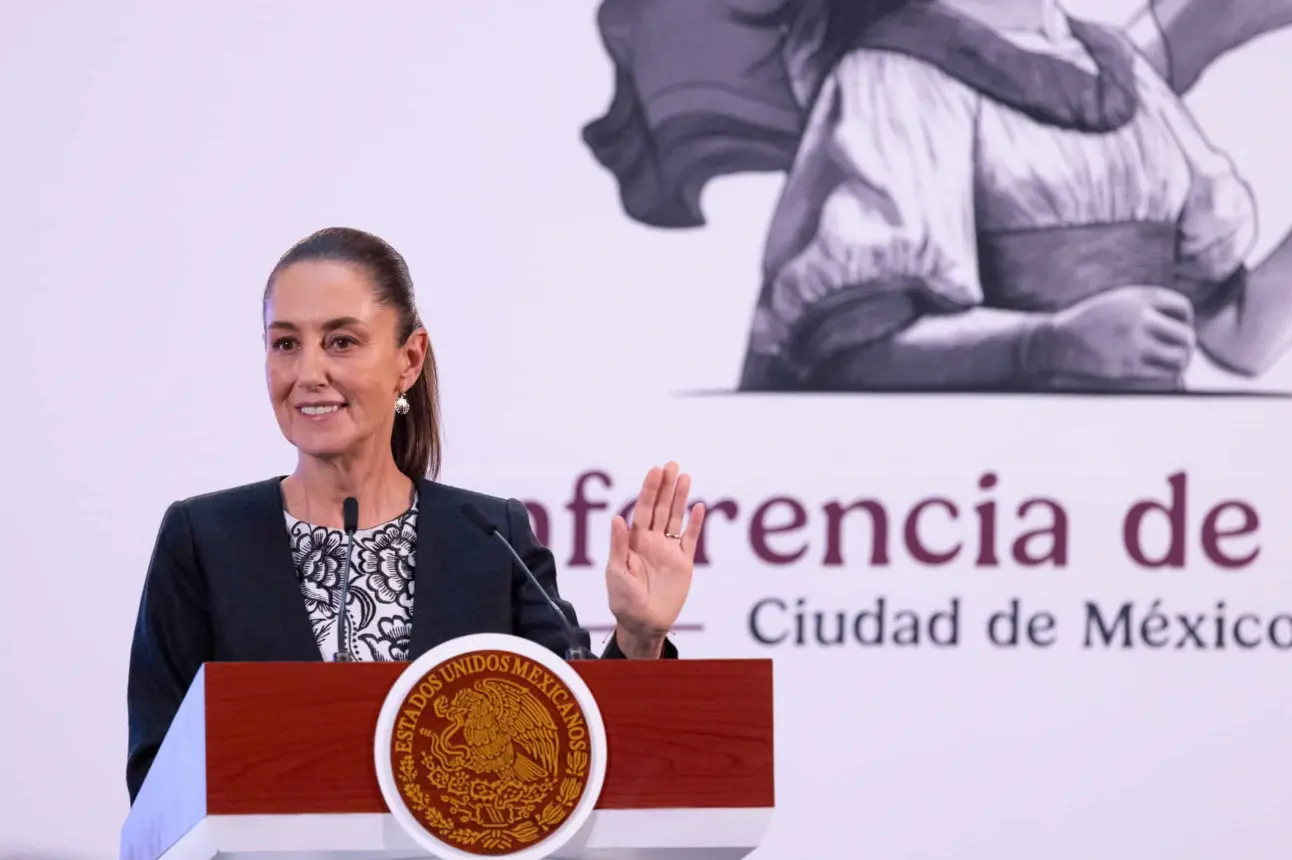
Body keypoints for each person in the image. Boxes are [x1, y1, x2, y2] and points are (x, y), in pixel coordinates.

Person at [124, 227, 707, 804]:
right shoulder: (205, 540)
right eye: (285, 344)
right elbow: (156, 775)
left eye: (342, 342)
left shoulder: (490, 539)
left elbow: (576, 751)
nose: (307, 373)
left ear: (409, 359)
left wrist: (638, 635)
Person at [581, 0, 1292, 392]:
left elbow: (1237, 337)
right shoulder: (895, 77)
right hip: (960, 512)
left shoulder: (1124, 73)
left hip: (1131, 513)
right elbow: (846, 351)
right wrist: (1051, 343)